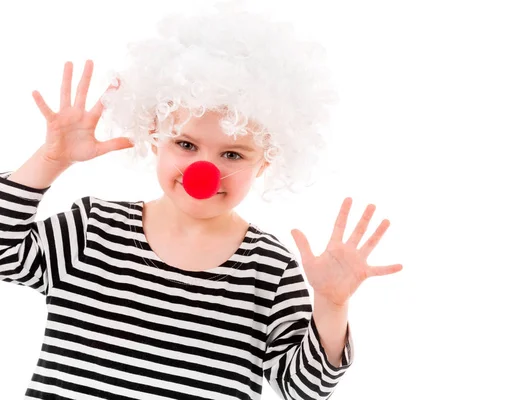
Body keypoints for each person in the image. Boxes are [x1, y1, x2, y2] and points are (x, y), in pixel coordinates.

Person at [0, 3, 402, 399]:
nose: (204, 171)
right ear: (155, 136)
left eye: (233, 154)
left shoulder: (270, 269)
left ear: (266, 161)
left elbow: (304, 389)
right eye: (186, 144)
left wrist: (331, 306)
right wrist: (49, 161)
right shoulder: (92, 228)